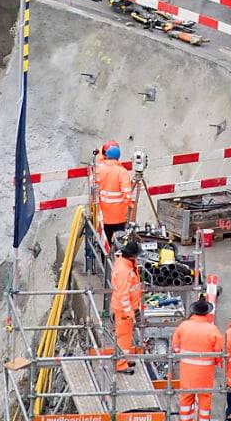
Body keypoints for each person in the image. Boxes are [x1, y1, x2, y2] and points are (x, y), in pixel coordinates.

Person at [172, 298, 224, 421]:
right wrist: (215, 362)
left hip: (187, 373)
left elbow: (175, 346)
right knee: (205, 400)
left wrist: (183, 358)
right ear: (207, 313)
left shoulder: (183, 326)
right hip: (205, 374)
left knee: (186, 399)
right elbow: (219, 352)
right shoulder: (212, 329)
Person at [110, 240, 142, 374]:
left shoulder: (125, 263)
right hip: (124, 310)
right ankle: (120, 364)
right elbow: (123, 295)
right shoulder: (124, 271)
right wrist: (129, 312)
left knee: (126, 336)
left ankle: (123, 359)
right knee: (123, 337)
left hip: (126, 308)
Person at [96, 142, 133, 244]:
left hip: (104, 216)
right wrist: (130, 205)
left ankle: (105, 260)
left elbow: (93, 190)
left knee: (105, 244)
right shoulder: (122, 171)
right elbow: (127, 194)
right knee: (120, 243)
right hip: (119, 216)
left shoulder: (99, 170)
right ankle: (118, 259)